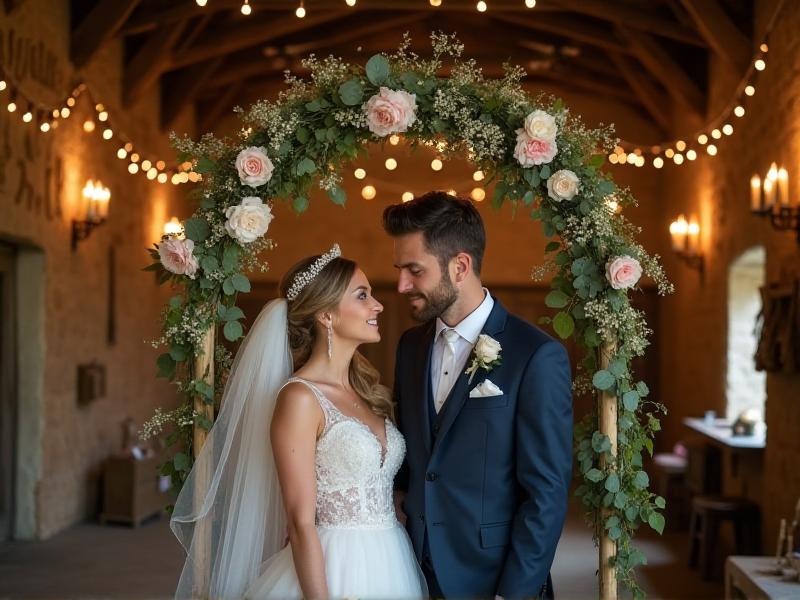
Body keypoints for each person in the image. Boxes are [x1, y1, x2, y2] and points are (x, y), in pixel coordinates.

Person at [171, 244, 426, 599]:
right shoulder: (300, 399)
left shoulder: (369, 392)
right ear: (326, 315)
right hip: (331, 566)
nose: (378, 305)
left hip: (391, 560)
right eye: (362, 295)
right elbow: (300, 521)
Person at [384, 192, 573, 599]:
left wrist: (513, 593)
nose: (401, 285)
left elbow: (547, 493)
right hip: (412, 571)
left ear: (460, 266)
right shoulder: (410, 347)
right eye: (400, 270)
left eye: (414, 270)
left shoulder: (536, 356)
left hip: (494, 580)